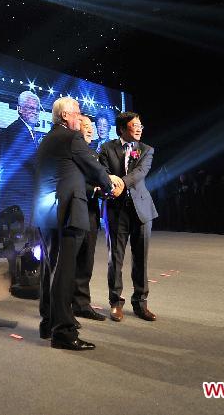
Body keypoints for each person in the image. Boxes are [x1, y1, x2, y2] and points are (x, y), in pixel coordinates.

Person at [33, 97, 121, 351]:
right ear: (64, 116)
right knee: (65, 272)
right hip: (68, 211)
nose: (80, 117)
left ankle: (48, 322)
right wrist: (110, 185)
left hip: (47, 212)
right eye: (77, 113)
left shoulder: (47, 139)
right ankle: (63, 331)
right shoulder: (71, 138)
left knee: (51, 269)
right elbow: (93, 168)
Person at [99, 111, 158, 322]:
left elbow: (140, 173)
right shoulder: (107, 148)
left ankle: (141, 303)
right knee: (115, 258)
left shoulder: (146, 150)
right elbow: (102, 171)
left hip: (142, 210)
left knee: (141, 258)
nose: (140, 128)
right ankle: (115, 302)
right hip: (115, 210)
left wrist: (120, 183)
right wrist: (109, 181)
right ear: (123, 128)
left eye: (141, 124)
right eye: (135, 125)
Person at [72, 115, 106, 322]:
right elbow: (71, 181)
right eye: (86, 126)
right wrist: (94, 189)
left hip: (91, 212)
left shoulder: (93, 154)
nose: (90, 130)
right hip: (74, 211)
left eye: (91, 127)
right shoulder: (72, 152)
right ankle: (65, 305)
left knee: (87, 260)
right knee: (71, 261)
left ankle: (82, 304)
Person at [0, 91, 41, 231]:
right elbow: (34, 161)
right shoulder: (16, 130)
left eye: (37, 109)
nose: (35, 112)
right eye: (31, 108)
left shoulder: (29, 131)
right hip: (16, 199)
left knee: (25, 244)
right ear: (20, 109)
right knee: (15, 246)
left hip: (24, 198)